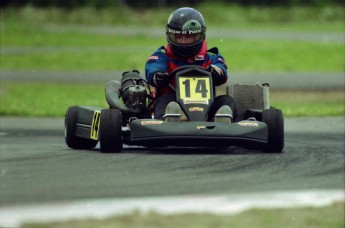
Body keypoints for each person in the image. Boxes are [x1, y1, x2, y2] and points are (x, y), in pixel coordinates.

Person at [145, 7, 237, 122]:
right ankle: (171, 120)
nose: (183, 41)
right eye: (178, 37)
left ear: (199, 35)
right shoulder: (163, 56)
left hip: (206, 108)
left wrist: (215, 71)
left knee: (227, 101)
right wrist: (157, 75)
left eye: (188, 36)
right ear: (170, 35)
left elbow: (221, 69)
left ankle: (221, 121)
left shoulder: (211, 57)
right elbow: (153, 67)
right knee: (165, 100)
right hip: (173, 102)